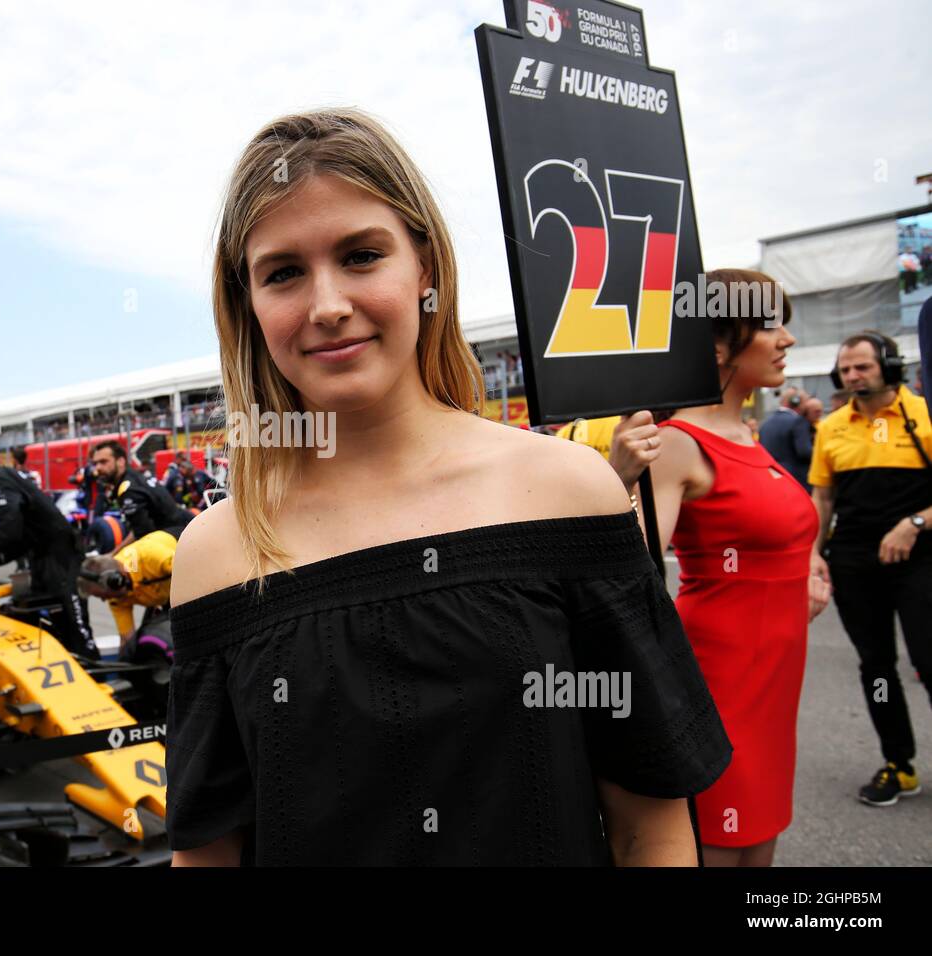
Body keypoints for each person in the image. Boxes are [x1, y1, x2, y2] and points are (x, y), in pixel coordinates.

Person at [166, 108, 731, 866]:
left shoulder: (566, 491)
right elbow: (208, 856)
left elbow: (651, 827)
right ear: (248, 303)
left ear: (424, 268)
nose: (327, 305)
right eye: (284, 272)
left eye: (362, 255)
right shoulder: (215, 552)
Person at [609, 269, 824, 867]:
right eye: (770, 325)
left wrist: (809, 567)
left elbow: (773, 535)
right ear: (717, 346)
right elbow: (633, 569)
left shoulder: (747, 432)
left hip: (776, 677)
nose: (786, 340)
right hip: (723, 675)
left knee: (761, 836)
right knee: (722, 840)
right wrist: (619, 478)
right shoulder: (676, 440)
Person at [808, 331, 932, 806]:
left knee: (930, 660)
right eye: (845, 369)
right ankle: (898, 763)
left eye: (862, 366)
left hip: (921, 557)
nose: (853, 375)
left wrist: (915, 523)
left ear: (891, 365)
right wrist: (814, 552)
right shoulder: (832, 426)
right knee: (876, 668)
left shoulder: (924, 413)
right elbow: (824, 497)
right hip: (855, 563)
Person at [0, 439, 97, 659]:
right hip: (45, 559)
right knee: (54, 624)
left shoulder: (0, 479)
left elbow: (10, 529)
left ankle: (94, 675)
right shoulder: (4, 476)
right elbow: (22, 535)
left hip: (61, 559)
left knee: (75, 628)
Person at [77, 528, 177, 647]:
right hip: (166, 592)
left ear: (115, 581)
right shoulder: (115, 598)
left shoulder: (150, 556)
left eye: (103, 595)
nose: (105, 600)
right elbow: (127, 638)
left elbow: (194, 571)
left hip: (183, 547)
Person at [90, 440, 192, 546]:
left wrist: (112, 556)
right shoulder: (134, 477)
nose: (98, 468)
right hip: (184, 529)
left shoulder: (129, 489)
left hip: (177, 540)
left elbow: (142, 534)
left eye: (103, 462)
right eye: (95, 463)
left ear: (120, 461)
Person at [757, 387, 814, 487]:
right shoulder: (798, 421)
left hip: (772, 480)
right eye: (806, 401)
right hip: (796, 480)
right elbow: (805, 452)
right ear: (795, 402)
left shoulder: (765, 424)